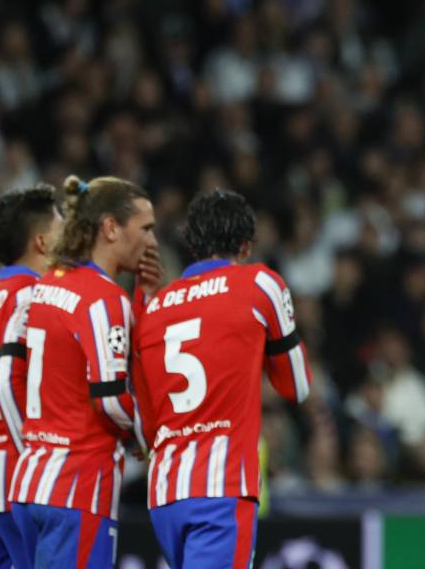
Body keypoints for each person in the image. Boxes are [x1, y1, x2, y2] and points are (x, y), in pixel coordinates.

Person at [133, 190, 311, 569]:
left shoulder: (156, 306)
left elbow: (147, 420)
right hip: (221, 487)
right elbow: (296, 386)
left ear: (192, 244)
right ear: (246, 247)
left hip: (164, 492)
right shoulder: (260, 284)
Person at [9, 176, 160, 568]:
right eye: (145, 229)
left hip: (30, 482)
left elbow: (17, 377)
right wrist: (145, 436)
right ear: (111, 228)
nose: (152, 242)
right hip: (78, 489)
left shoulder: (46, 285)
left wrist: (141, 298)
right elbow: (110, 399)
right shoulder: (104, 299)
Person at [0, 185, 62, 569]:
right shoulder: (41, 299)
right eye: (63, 225)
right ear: (42, 241)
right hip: (16, 476)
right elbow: (7, 387)